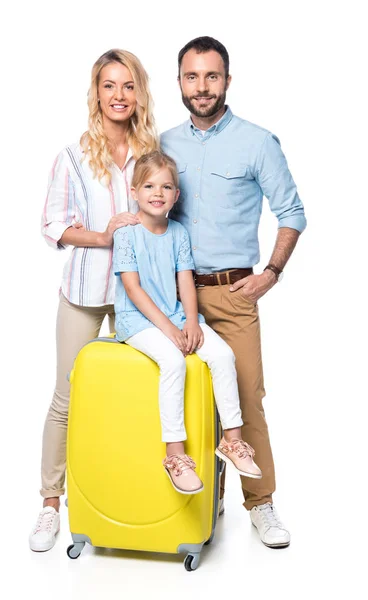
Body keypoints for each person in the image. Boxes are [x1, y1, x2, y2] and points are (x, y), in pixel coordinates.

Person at [161, 36, 306, 547]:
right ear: (179, 81)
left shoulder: (257, 141)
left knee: (245, 399)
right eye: (191, 76)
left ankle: (261, 504)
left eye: (211, 76)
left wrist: (271, 273)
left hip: (232, 294)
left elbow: (292, 213)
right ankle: (193, 501)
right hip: (174, 297)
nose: (202, 87)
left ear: (227, 79)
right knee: (175, 398)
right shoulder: (163, 144)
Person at [29, 49, 159, 552]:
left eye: (128, 86)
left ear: (139, 93)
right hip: (85, 293)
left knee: (137, 399)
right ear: (96, 92)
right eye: (110, 86)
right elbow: (53, 225)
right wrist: (105, 237)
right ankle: (48, 505)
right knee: (67, 400)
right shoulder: (73, 155)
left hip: (141, 295)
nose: (119, 96)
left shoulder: (154, 151)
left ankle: (130, 496)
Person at [113, 150, 262, 494]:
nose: (158, 193)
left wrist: (192, 322)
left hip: (178, 316)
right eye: (149, 185)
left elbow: (185, 281)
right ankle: (175, 455)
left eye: (166, 187)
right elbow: (132, 289)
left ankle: (232, 440)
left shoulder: (178, 232)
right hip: (138, 321)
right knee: (173, 361)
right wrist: (168, 330)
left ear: (176, 196)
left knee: (223, 356)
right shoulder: (126, 234)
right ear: (134, 191)